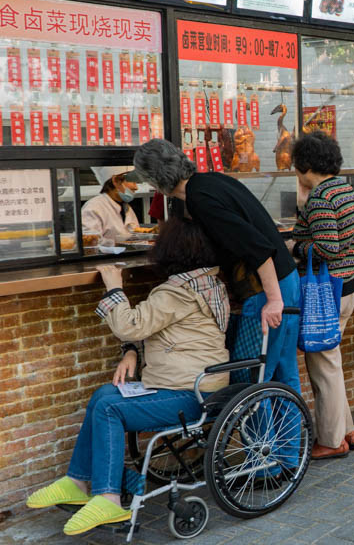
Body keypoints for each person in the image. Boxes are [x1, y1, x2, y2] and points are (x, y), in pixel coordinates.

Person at [25, 218, 229, 535]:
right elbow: (152, 329)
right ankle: (77, 481)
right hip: (191, 385)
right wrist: (131, 351)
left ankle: (108, 498)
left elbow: (130, 325)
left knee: (110, 407)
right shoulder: (204, 283)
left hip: (191, 394)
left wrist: (115, 288)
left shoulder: (178, 293)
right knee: (103, 395)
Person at [133, 140, 302, 440]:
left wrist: (273, 300)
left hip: (266, 287)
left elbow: (257, 248)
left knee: (251, 378)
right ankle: (287, 459)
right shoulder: (210, 181)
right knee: (283, 374)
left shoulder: (200, 200)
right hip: (286, 279)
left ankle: (263, 457)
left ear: (156, 179)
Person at [288, 131, 354, 458]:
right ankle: (347, 430)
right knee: (331, 363)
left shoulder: (321, 198)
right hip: (347, 286)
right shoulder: (344, 189)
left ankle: (331, 442)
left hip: (326, 291)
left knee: (323, 367)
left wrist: (298, 246)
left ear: (305, 165)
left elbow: (327, 248)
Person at [81, 166, 141, 243]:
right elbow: (90, 242)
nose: (136, 187)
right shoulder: (93, 208)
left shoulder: (126, 208)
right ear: (116, 181)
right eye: (133, 181)